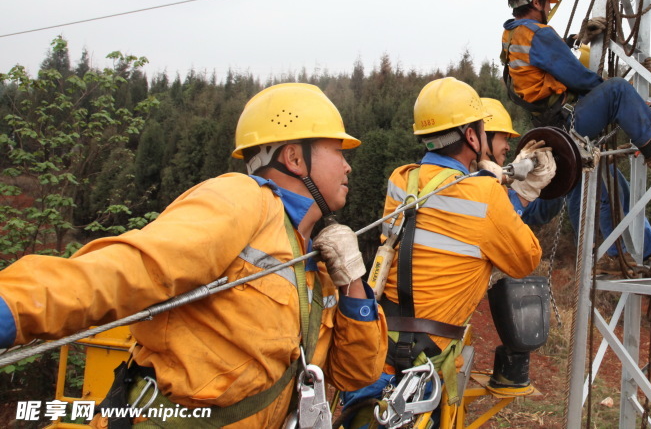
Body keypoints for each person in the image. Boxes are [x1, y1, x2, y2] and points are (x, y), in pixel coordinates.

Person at [0, 83, 387, 427]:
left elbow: (355, 374)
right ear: (294, 158)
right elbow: (136, 267)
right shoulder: (243, 200)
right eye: (337, 150)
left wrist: (352, 279)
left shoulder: (315, 261)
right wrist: (14, 307)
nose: (348, 164)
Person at [341, 78, 544, 425]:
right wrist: (519, 194)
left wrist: (489, 181)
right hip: (423, 365)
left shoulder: (401, 179)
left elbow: (442, 206)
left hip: (373, 345)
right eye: (482, 127)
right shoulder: (486, 196)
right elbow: (525, 260)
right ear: (470, 135)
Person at [500, 0, 651, 275]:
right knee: (615, 91)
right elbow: (580, 78)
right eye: (547, 3)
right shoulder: (539, 35)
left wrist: (572, 42)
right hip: (567, 126)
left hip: (551, 129)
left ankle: (633, 252)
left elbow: (543, 64)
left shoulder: (512, 35)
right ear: (536, 1)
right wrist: (611, 95)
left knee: (614, 187)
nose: (549, 8)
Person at [480, 97, 563, 229]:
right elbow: (495, 226)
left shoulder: (500, 189)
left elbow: (541, 211)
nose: (508, 147)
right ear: (483, 137)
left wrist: (556, 175)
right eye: (504, 138)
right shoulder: (462, 184)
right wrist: (524, 195)